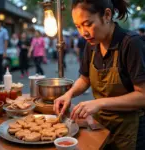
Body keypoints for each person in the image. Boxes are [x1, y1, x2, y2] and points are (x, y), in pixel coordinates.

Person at [53, 0, 145, 150]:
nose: (83, 32)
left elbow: (142, 96)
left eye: (88, 24)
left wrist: (99, 103)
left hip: (130, 130)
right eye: (78, 26)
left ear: (107, 15)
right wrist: (69, 94)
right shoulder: (92, 44)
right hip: (100, 125)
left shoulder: (131, 44)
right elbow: (84, 79)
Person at [0, 17, 9, 84]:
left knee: (0, 67)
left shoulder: (4, 31)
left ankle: (1, 80)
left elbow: (6, 41)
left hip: (1, 52)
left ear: (0, 23)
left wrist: (5, 52)